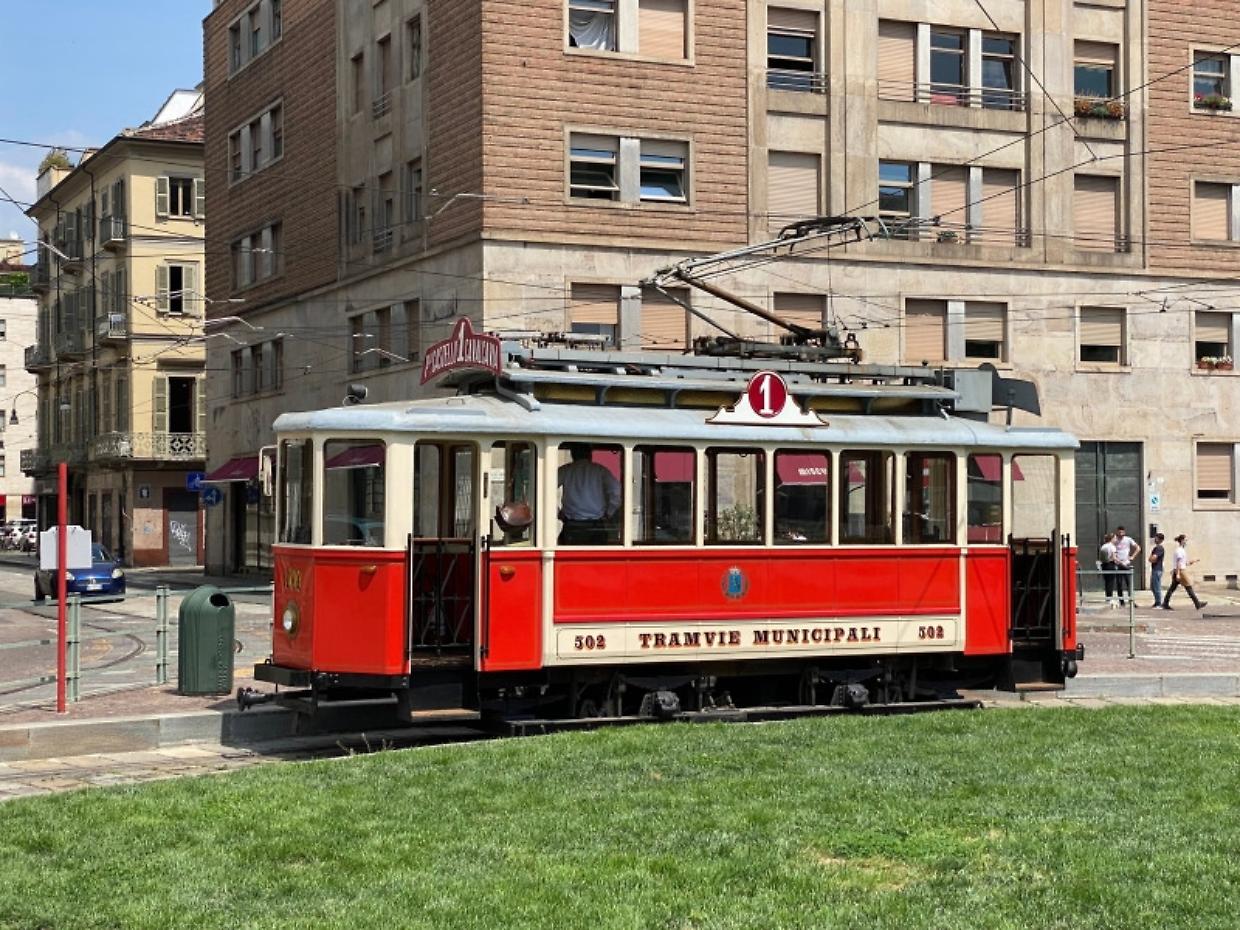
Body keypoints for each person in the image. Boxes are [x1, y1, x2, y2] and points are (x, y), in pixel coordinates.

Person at [557, 443, 621, 545]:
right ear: (590, 454)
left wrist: (557, 512)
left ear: (572, 454)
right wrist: (609, 512)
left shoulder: (566, 470)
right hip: (596, 525)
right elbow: (616, 491)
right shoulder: (600, 470)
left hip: (572, 525)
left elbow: (545, 489)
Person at [1161, 534, 1207, 611]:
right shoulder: (1179, 550)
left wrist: (1192, 561)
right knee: (1188, 587)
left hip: (1179, 570)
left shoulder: (1180, 550)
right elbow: (1179, 562)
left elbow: (1183, 562)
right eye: (1185, 540)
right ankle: (1197, 603)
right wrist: (1178, 574)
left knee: (1172, 588)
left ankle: (1165, 603)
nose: (1186, 542)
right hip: (1181, 571)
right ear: (1182, 541)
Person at [1112, 526, 1140, 606]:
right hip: (1118, 563)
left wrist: (1132, 557)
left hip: (1126, 563)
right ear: (1117, 532)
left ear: (1124, 532)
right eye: (1119, 532)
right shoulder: (1115, 540)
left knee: (1129, 583)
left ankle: (1131, 600)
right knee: (1119, 583)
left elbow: (1138, 548)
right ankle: (1121, 601)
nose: (1121, 534)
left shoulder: (1128, 539)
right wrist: (1115, 559)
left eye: (1122, 532)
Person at [1099, 532, 1118, 608]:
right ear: (1112, 539)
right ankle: (1110, 597)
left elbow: (1101, 557)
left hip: (1104, 565)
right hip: (1110, 564)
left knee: (1107, 582)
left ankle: (1107, 597)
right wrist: (1120, 562)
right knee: (1111, 582)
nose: (1115, 540)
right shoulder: (1112, 547)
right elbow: (1114, 557)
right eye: (1115, 538)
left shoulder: (1103, 546)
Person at [1148, 533, 1166, 609]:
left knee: (1156, 586)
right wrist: (1151, 559)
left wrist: (1151, 559)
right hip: (1155, 569)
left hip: (1157, 569)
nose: (1155, 539)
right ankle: (1156, 602)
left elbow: (1153, 558)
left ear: (1161, 540)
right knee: (1153, 586)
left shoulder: (1159, 548)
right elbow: (1150, 559)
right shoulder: (1156, 548)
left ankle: (1159, 603)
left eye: (1157, 538)